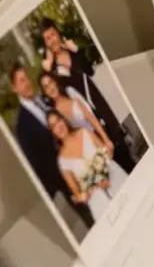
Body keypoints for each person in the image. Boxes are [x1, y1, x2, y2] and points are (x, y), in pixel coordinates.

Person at [39, 19, 135, 173]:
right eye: (47, 39)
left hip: (103, 112)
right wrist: (47, 69)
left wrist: (76, 51)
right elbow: (50, 98)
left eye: (52, 35)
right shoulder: (52, 73)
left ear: (58, 33)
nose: (52, 40)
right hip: (89, 128)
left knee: (128, 160)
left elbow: (90, 71)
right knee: (114, 171)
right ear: (46, 44)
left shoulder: (73, 52)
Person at [8, 65, 95, 229]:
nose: (27, 83)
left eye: (26, 78)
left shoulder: (43, 99)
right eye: (21, 81)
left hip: (79, 155)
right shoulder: (21, 126)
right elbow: (35, 161)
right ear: (15, 88)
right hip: (63, 174)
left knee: (98, 193)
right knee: (87, 211)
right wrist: (59, 177)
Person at [47, 110, 129, 222]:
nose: (58, 126)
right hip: (97, 198)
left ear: (64, 120)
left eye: (58, 121)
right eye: (54, 126)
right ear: (53, 133)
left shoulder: (84, 132)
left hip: (114, 176)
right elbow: (77, 193)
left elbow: (106, 152)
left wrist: (104, 170)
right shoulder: (62, 161)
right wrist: (89, 190)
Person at [38, 73, 114, 157]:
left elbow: (92, 118)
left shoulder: (71, 93)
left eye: (51, 82)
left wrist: (106, 139)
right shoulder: (55, 116)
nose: (51, 88)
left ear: (55, 82)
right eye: (46, 87)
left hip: (97, 138)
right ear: (45, 92)